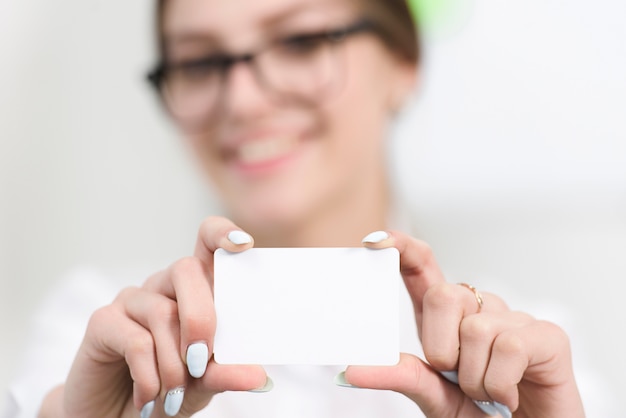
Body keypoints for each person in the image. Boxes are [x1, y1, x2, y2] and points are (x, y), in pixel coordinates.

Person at [5, 0, 587, 417]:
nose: (243, 101)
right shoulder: (95, 338)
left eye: (301, 41)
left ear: (405, 61)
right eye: (199, 63)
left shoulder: (533, 362)